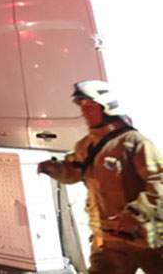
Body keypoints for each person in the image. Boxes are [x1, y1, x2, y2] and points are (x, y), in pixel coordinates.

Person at [37, 80, 163, 273]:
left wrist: (136, 213)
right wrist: (54, 169)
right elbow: (73, 172)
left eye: (90, 106)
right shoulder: (86, 146)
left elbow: (159, 182)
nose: (85, 112)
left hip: (147, 238)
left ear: (107, 107)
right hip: (110, 239)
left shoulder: (134, 143)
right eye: (82, 107)